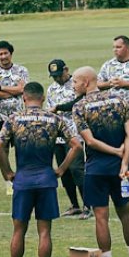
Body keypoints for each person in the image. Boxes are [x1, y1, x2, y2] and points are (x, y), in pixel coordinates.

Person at [0, 81, 81, 257]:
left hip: (23, 179)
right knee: (44, 231)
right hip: (46, 178)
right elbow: (76, 145)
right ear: (42, 98)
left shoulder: (14, 119)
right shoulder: (54, 119)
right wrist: (61, 169)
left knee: (19, 230)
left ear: (24, 98)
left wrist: (7, 171)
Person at [72, 66, 129, 257]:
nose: (73, 85)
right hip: (120, 169)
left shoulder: (79, 107)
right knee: (125, 212)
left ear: (86, 83)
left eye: (75, 81)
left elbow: (90, 140)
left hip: (95, 169)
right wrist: (124, 161)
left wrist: (114, 151)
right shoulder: (121, 101)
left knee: (101, 217)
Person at [46, 59, 88, 219]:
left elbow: (78, 103)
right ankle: (74, 205)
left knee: (77, 169)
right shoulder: (51, 89)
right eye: (53, 76)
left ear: (66, 70)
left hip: (75, 134)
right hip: (58, 137)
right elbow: (49, 111)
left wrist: (59, 108)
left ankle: (87, 205)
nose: (57, 78)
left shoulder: (76, 84)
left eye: (59, 75)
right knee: (63, 171)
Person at [0, 41, 28, 148]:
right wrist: (15, 91)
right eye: (1, 54)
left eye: (6, 53)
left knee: (21, 148)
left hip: (18, 116)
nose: (4, 56)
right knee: (0, 149)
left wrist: (2, 88)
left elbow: (23, 90)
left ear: (11, 54)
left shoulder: (21, 70)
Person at [98, 35, 129, 122]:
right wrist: (109, 84)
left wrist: (125, 84)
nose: (115, 50)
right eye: (114, 47)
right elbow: (97, 83)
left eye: (118, 47)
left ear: (127, 48)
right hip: (111, 111)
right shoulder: (108, 65)